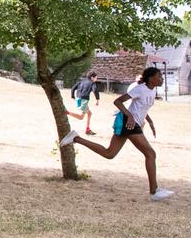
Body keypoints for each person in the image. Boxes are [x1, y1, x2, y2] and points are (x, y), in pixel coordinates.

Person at [60, 66, 174, 201]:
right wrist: (130, 115)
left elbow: (142, 108)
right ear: (150, 78)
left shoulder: (152, 90)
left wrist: (150, 122)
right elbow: (117, 101)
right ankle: (154, 191)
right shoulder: (140, 89)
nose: (162, 79)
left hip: (132, 123)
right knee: (150, 154)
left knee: (109, 154)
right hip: (130, 124)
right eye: (159, 76)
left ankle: (76, 138)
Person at [66, 71, 102, 135]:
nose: (96, 79)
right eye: (96, 77)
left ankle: (87, 130)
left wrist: (72, 96)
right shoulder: (92, 83)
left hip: (78, 98)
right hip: (84, 100)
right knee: (81, 117)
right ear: (92, 77)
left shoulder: (81, 81)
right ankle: (67, 112)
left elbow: (73, 88)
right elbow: (95, 90)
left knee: (89, 113)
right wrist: (97, 99)